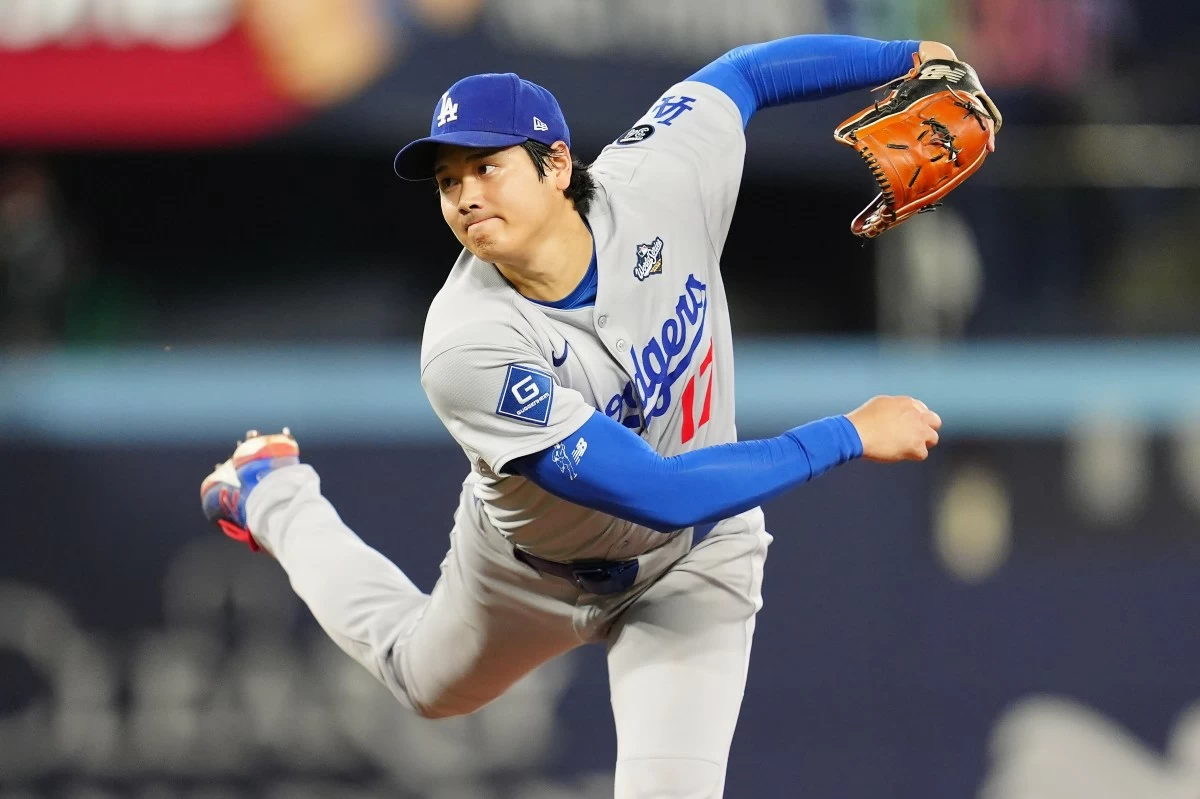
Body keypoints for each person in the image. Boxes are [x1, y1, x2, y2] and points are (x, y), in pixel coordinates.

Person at [202, 34, 989, 798]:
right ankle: (271, 490)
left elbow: (745, 72)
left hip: (692, 561)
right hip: (524, 574)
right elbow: (655, 489)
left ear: (555, 164)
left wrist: (904, 56)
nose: (467, 194)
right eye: (447, 180)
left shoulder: (661, 177)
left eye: (486, 165)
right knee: (420, 678)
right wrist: (846, 433)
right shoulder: (466, 345)